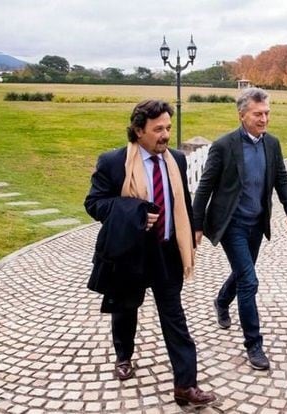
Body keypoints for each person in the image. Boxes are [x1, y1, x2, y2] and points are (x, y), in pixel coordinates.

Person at [84, 100, 216, 408]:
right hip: (130, 253)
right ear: (138, 130)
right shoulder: (113, 162)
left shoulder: (178, 161)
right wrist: (135, 212)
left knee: (174, 317)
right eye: (158, 129)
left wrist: (193, 230)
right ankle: (123, 355)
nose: (166, 135)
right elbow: (94, 204)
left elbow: (183, 200)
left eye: (168, 128)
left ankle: (186, 385)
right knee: (126, 308)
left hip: (167, 251)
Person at [193, 87, 287, 370]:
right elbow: (205, 186)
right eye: (258, 114)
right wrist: (197, 224)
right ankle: (254, 344)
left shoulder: (272, 144)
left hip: (256, 223)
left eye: (267, 113)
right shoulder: (224, 146)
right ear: (242, 115)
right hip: (232, 224)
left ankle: (221, 300)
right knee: (250, 282)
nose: (264, 119)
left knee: (243, 274)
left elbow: (282, 178)